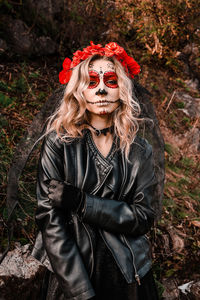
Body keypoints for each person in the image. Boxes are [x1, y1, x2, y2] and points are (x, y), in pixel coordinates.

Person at [31, 41, 159, 300]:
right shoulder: (59, 144)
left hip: (127, 276)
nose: (101, 89)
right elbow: (50, 221)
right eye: (91, 81)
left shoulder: (139, 150)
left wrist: (82, 202)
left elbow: (143, 217)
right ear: (79, 90)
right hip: (71, 275)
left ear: (122, 88)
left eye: (110, 80)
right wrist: (81, 293)